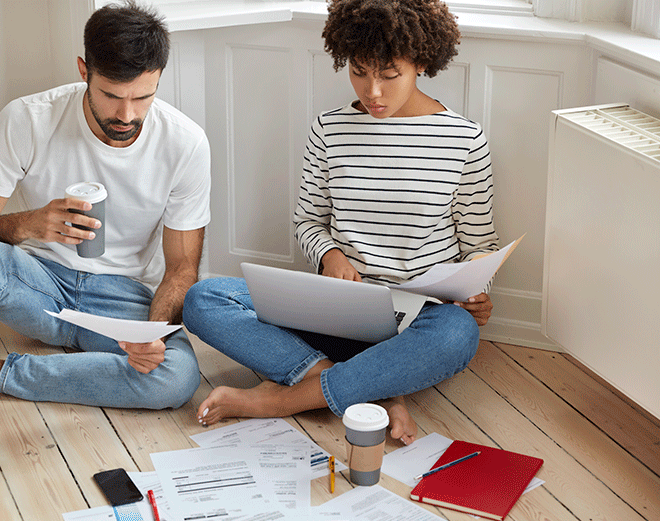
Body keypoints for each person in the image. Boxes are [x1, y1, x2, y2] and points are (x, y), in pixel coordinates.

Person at [0, 3, 210, 520]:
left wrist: (152, 332)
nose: (127, 115)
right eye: (111, 95)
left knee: (175, 376)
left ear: (159, 81)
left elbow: (181, 270)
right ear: (84, 71)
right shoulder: (29, 118)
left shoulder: (186, 143)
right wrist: (23, 224)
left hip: (120, 297)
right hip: (37, 286)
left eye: (143, 97)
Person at [183, 0, 498, 446]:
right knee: (204, 298)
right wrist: (330, 255)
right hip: (337, 308)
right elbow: (308, 219)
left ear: (422, 62)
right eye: (358, 71)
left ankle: (279, 402)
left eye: (390, 75)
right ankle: (379, 392)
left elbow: (479, 241)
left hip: (419, 318)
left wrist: (480, 292)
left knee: (458, 334)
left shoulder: (464, 139)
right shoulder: (329, 130)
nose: (373, 91)